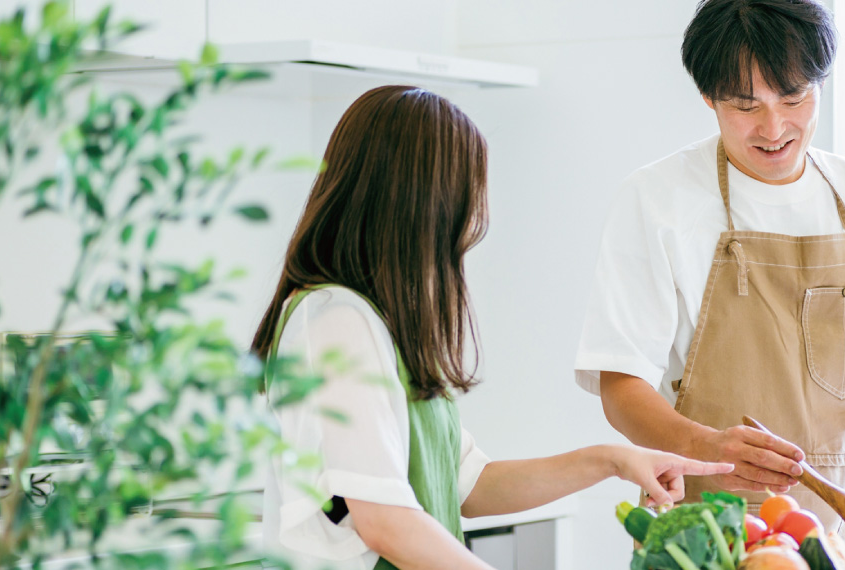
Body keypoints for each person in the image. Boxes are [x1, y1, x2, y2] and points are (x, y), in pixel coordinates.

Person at [252, 85, 732, 570]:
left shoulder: (378, 322)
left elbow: (469, 483)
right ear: (423, 202)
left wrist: (613, 460)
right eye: (467, 191)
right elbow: (384, 521)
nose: (475, 215)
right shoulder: (336, 320)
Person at [574, 0, 845, 532]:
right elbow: (621, 384)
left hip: (829, 528)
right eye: (745, 105)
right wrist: (706, 444)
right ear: (708, 96)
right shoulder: (656, 198)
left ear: (821, 84)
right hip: (701, 530)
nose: (774, 126)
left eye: (794, 97)